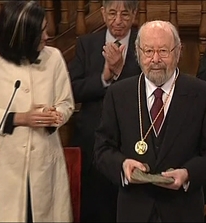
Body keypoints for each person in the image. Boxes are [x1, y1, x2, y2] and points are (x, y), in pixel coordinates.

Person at [94, 20, 206, 222]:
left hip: (182, 210)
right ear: (138, 52)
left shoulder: (203, 94)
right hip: (134, 211)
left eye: (163, 51)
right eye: (148, 51)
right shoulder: (119, 93)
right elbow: (102, 149)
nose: (155, 59)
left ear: (178, 51)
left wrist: (187, 174)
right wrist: (122, 165)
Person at [0, 1, 74, 222]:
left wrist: (55, 115)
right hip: (4, 166)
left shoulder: (53, 57)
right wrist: (22, 118)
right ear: (22, 35)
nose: (47, 36)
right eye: (41, 31)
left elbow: (67, 103)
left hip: (43, 162)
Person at [68, 0, 141, 221]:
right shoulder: (87, 44)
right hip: (93, 139)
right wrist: (104, 77)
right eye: (112, 13)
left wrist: (120, 72)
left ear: (135, 14)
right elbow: (72, 88)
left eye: (125, 14)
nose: (118, 21)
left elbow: (151, 86)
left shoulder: (146, 42)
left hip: (133, 138)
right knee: (95, 206)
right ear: (102, 13)